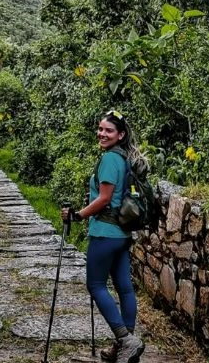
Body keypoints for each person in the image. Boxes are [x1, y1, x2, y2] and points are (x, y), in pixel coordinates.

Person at [62, 109, 148, 363]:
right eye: (100, 129)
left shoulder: (110, 159)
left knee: (96, 285)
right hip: (122, 233)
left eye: (108, 130)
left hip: (105, 233)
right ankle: (126, 346)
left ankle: (125, 339)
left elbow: (105, 198)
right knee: (124, 288)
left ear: (120, 135)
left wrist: (77, 216)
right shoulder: (124, 158)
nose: (102, 133)